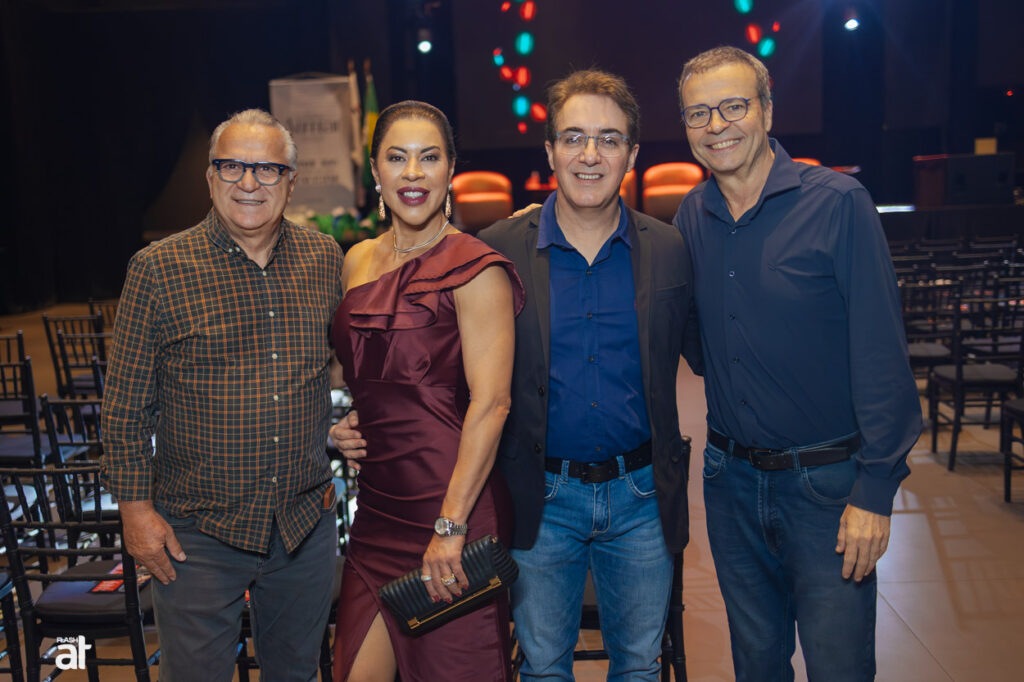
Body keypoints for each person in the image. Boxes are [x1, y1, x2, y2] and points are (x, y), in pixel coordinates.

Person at [335, 70, 702, 681]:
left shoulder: (669, 249)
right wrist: (357, 418)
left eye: (609, 140)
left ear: (633, 154)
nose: (590, 155)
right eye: (573, 138)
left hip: (641, 494)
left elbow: (713, 352)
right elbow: (433, 360)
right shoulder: (499, 247)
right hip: (540, 497)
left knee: (640, 666)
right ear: (550, 151)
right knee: (542, 666)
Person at [673, 46, 922, 681]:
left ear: (767, 110)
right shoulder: (691, 216)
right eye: (699, 113)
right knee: (756, 666)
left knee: (839, 667)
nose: (717, 125)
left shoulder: (838, 203)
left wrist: (875, 492)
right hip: (730, 484)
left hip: (827, 489)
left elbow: (882, 356)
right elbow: (695, 337)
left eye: (734, 106)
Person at [101, 109, 342, 681]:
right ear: (210, 177)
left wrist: (349, 422)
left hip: (302, 527)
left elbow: (334, 367)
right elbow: (125, 408)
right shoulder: (158, 269)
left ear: (291, 181)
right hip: (198, 537)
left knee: (297, 674)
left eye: (267, 169)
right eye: (232, 166)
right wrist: (135, 513)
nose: (249, 182)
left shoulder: (324, 259)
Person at [329, 100, 524, 682]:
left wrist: (451, 527)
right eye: (397, 158)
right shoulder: (357, 261)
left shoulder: (476, 268)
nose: (413, 173)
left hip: (451, 506)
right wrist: (346, 421)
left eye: (429, 157)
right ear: (375, 171)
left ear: (450, 169)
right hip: (376, 513)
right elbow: (360, 371)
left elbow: (493, 404)